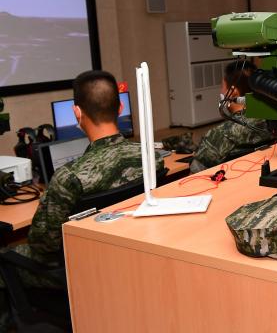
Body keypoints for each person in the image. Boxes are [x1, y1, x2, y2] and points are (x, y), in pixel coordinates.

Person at [0, 70, 164, 328]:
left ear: (77, 113)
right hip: (131, 256)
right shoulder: (150, 157)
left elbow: (43, 245)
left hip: (82, 266)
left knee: (6, 255)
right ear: (120, 106)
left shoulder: (69, 177)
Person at [190, 60, 274, 173]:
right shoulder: (272, 120)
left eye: (222, 87)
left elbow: (195, 173)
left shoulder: (221, 134)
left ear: (232, 92)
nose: (221, 91)